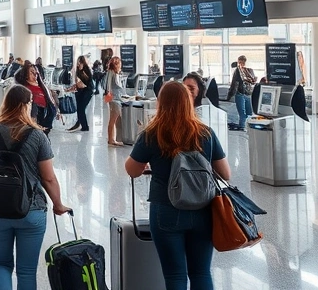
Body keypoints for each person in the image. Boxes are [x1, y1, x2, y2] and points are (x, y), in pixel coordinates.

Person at [125, 81, 231, 290]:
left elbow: (132, 170)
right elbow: (226, 174)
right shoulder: (205, 133)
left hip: (165, 209)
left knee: (175, 276)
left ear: (161, 103)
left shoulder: (152, 133)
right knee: (201, 273)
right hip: (203, 210)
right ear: (188, 102)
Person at [0, 85, 70, 290]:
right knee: (27, 270)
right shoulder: (38, 136)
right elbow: (48, 178)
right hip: (31, 210)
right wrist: (58, 204)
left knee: (1, 263)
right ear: (27, 106)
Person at [14, 61, 60, 133]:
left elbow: (51, 101)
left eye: (36, 72)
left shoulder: (42, 87)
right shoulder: (25, 89)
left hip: (45, 123)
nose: (35, 74)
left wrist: (57, 111)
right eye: (32, 72)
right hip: (34, 124)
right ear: (26, 75)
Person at [227, 56, 256, 131]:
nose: (241, 64)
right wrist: (230, 94)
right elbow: (235, 83)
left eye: (242, 62)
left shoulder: (247, 70)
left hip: (246, 93)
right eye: (240, 62)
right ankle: (243, 127)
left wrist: (229, 95)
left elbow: (235, 83)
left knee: (248, 112)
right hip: (242, 93)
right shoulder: (238, 71)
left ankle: (245, 127)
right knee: (243, 113)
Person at [67, 55, 94, 133]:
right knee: (79, 108)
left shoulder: (86, 70)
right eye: (78, 62)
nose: (78, 64)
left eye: (80, 62)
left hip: (87, 91)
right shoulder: (78, 70)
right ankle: (80, 123)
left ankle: (84, 126)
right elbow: (77, 81)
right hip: (80, 91)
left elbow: (88, 81)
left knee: (81, 108)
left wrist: (82, 73)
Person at [104, 56, 125, 146]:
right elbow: (107, 85)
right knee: (113, 119)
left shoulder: (116, 73)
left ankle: (115, 138)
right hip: (113, 99)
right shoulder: (111, 72)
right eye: (119, 63)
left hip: (117, 98)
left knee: (116, 119)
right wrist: (108, 95)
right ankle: (110, 139)